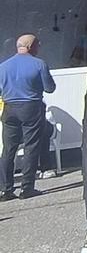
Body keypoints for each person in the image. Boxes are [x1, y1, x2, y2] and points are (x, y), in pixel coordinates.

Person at [0, 34, 57, 199]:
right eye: (38, 45)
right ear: (32, 46)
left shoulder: (3, 66)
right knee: (31, 147)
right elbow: (50, 88)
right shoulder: (39, 64)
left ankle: (5, 189)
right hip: (31, 108)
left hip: (9, 109)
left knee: (8, 149)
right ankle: (27, 188)